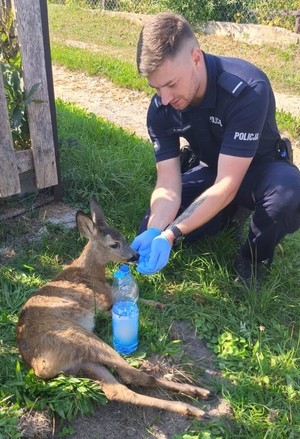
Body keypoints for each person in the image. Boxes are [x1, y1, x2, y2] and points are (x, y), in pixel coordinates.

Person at [131, 12, 300, 285]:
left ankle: (252, 258)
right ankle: (228, 215)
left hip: (260, 171)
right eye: (155, 87)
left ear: (196, 58)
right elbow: (167, 184)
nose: (165, 98)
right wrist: (156, 230)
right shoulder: (161, 108)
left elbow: (228, 183)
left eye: (171, 84)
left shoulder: (247, 89)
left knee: (285, 196)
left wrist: (173, 232)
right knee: (155, 224)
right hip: (212, 169)